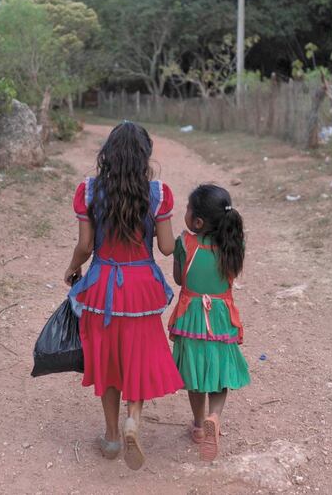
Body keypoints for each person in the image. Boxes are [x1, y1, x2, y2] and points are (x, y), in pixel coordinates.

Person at [63, 122, 183, 471]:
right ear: (145, 155)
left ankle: (112, 436)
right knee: (137, 355)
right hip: (142, 287)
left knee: (108, 358)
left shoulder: (89, 190)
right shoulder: (158, 193)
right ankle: (133, 419)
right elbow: (165, 247)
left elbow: (86, 245)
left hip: (102, 285)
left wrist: (72, 268)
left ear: (108, 154)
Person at [167, 184, 250, 461]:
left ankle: (199, 425)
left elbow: (179, 279)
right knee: (219, 370)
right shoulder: (234, 246)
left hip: (191, 318)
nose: (186, 212)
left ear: (198, 222)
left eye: (188, 209)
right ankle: (215, 416)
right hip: (220, 319)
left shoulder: (185, 243)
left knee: (194, 373)